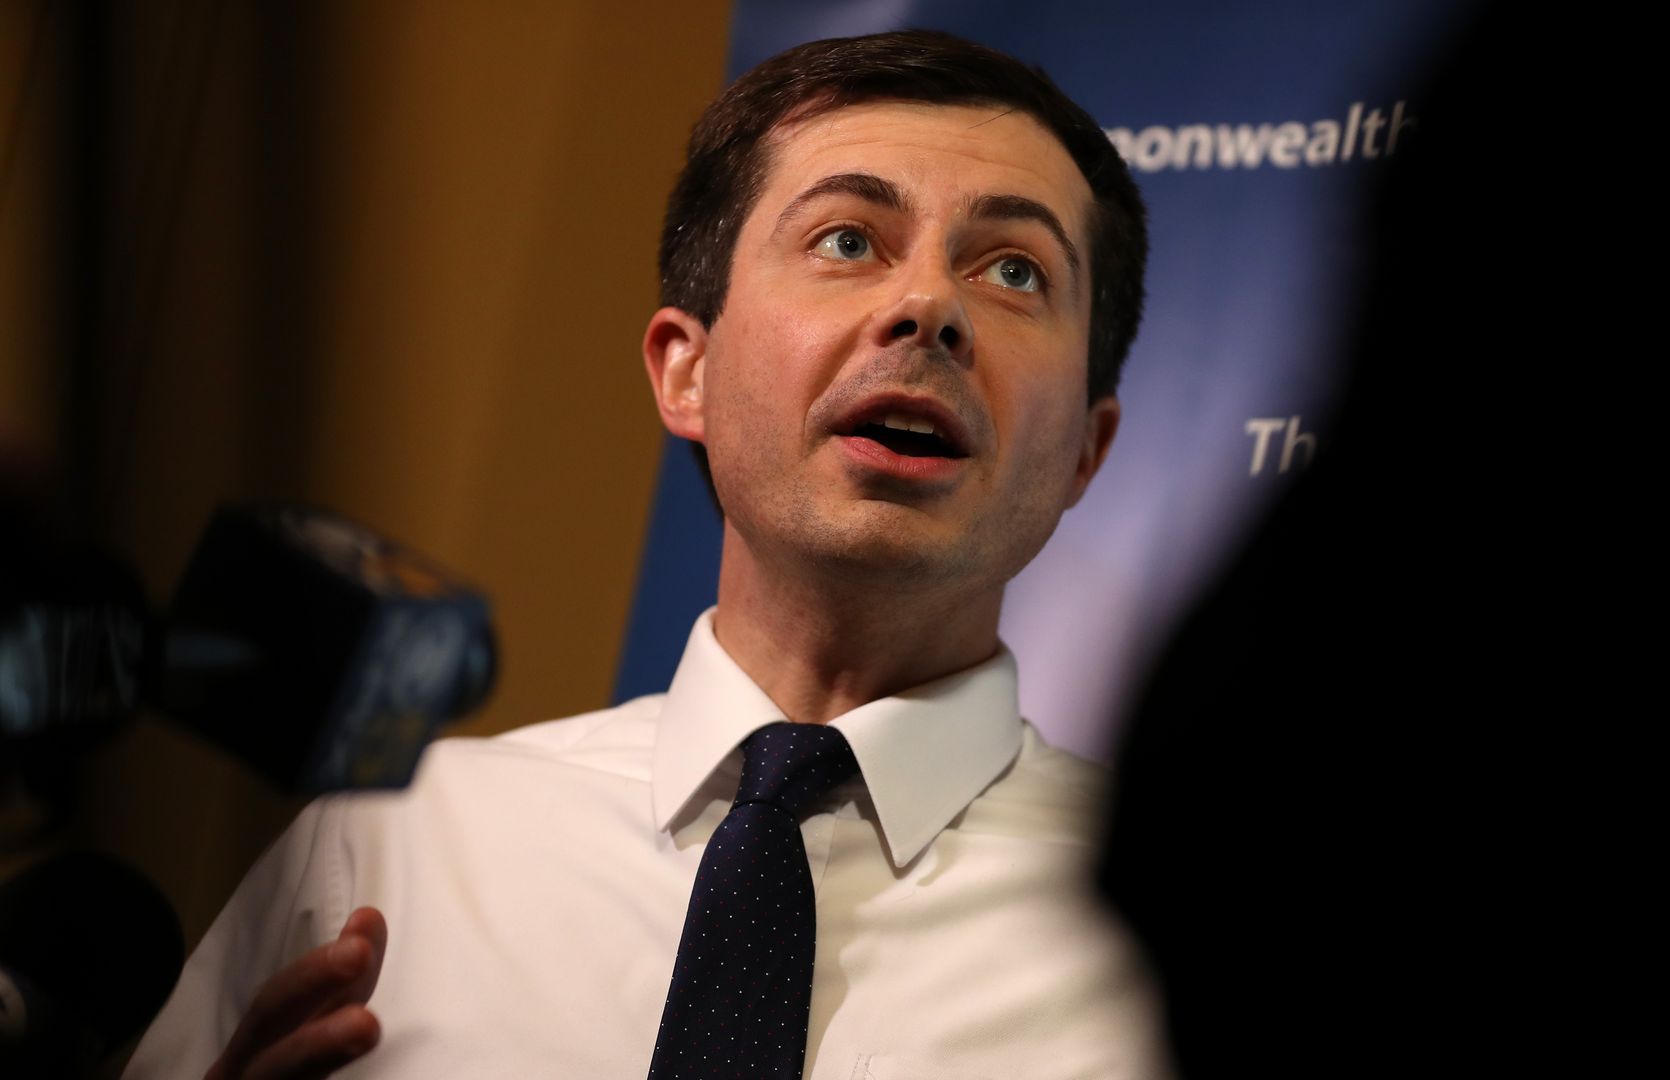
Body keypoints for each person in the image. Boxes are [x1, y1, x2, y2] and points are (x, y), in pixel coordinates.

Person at [126, 29, 1169, 1078]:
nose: (930, 307)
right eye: (849, 241)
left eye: (1015, 270)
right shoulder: (384, 855)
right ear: (687, 373)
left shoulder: (1181, 938)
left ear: (1086, 449)